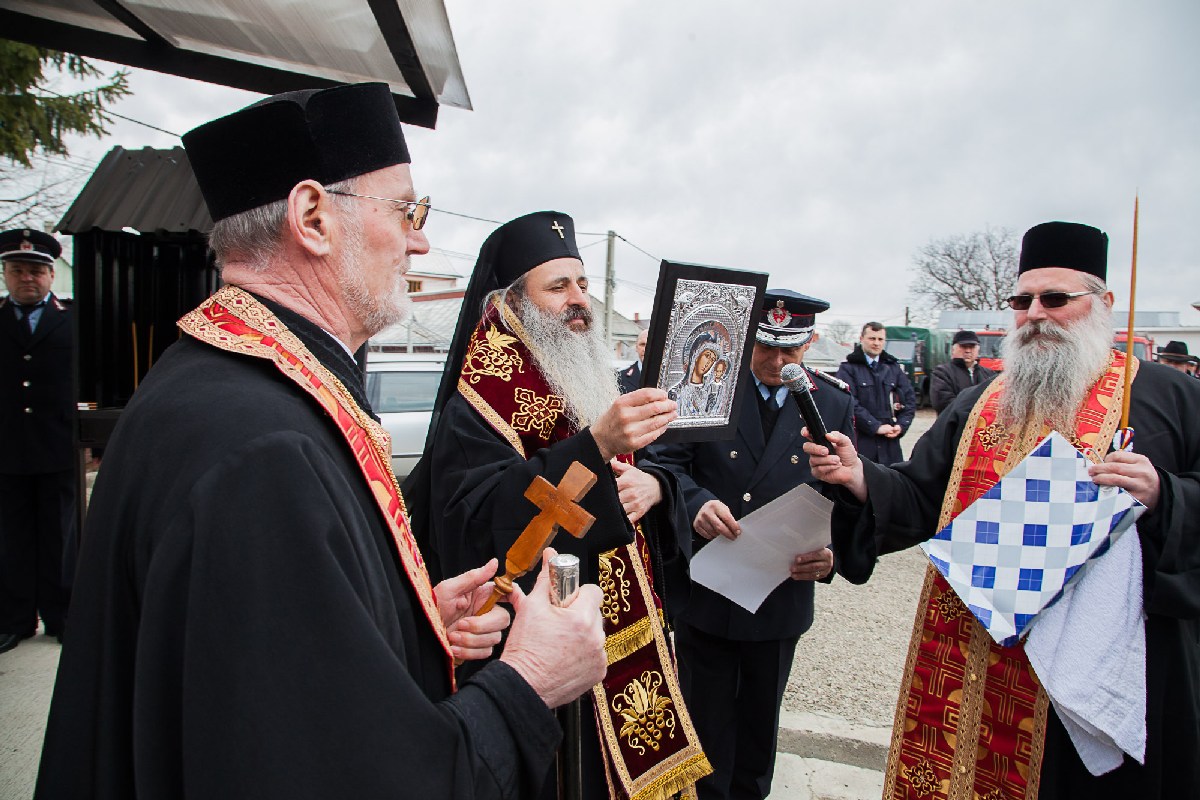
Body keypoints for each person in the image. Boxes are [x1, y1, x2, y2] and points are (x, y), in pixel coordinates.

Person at [35, 84, 609, 800]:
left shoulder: (229, 386)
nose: (421, 238)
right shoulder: (261, 450)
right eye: (405, 210)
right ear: (312, 216)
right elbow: (346, 773)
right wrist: (529, 682)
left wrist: (405, 619)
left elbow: (267, 670)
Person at [808, 221, 1199, 799]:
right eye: (1022, 300)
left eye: (1055, 299)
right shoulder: (980, 401)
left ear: (1104, 303)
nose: (1035, 312)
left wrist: (1166, 492)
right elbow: (921, 496)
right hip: (982, 656)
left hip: (1107, 668)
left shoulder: (1170, 397)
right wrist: (861, 477)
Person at [404, 211, 711, 799]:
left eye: (583, 284)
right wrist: (594, 449)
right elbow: (475, 525)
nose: (579, 301)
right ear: (512, 304)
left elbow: (639, 477)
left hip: (623, 632)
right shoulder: (479, 404)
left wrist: (656, 490)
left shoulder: (581, 375)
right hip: (543, 658)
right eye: (558, 286)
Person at [651, 290, 863, 800]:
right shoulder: (709, 386)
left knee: (759, 723)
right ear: (746, 341)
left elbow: (849, 491)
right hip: (712, 584)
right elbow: (666, 463)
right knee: (704, 720)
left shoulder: (832, 402)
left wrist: (832, 556)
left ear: (810, 344)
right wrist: (694, 502)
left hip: (780, 589)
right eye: (765, 347)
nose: (776, 361)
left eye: (790, 350)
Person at [0, 229, 74, 655]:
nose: (27, 278)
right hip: (8, 447)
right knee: (11, 538)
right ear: (7, 275)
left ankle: (61, 615)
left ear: (50, 275)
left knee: (60, 536)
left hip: (56, 444)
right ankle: (14, 619)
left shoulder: (71, 319)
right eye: (17, 270)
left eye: (35, 271)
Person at [835, 321, 916, 465]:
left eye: (880, 339)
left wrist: (901, 426)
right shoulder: (848, 369)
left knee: (892, 483)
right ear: (861, 339)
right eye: (872, 338)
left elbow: (909, 400)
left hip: (890, 445)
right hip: (862, 442)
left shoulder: (893, 368)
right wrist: (875, 426)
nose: (876, 343)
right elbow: (849, 402)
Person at [928, 329, 997, 413]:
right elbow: (943, 403)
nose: (968, 351)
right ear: (953, 349)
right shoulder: (942, 373)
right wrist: (975, 413)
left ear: (978, 349)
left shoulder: (989, 374)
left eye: (972, 347)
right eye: (963, 346)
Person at [617, 327, 648, 393]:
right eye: (642, 344)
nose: (645, 349)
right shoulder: (620, 377)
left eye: (651, 345)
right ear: (636, 347)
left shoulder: (668, 379)